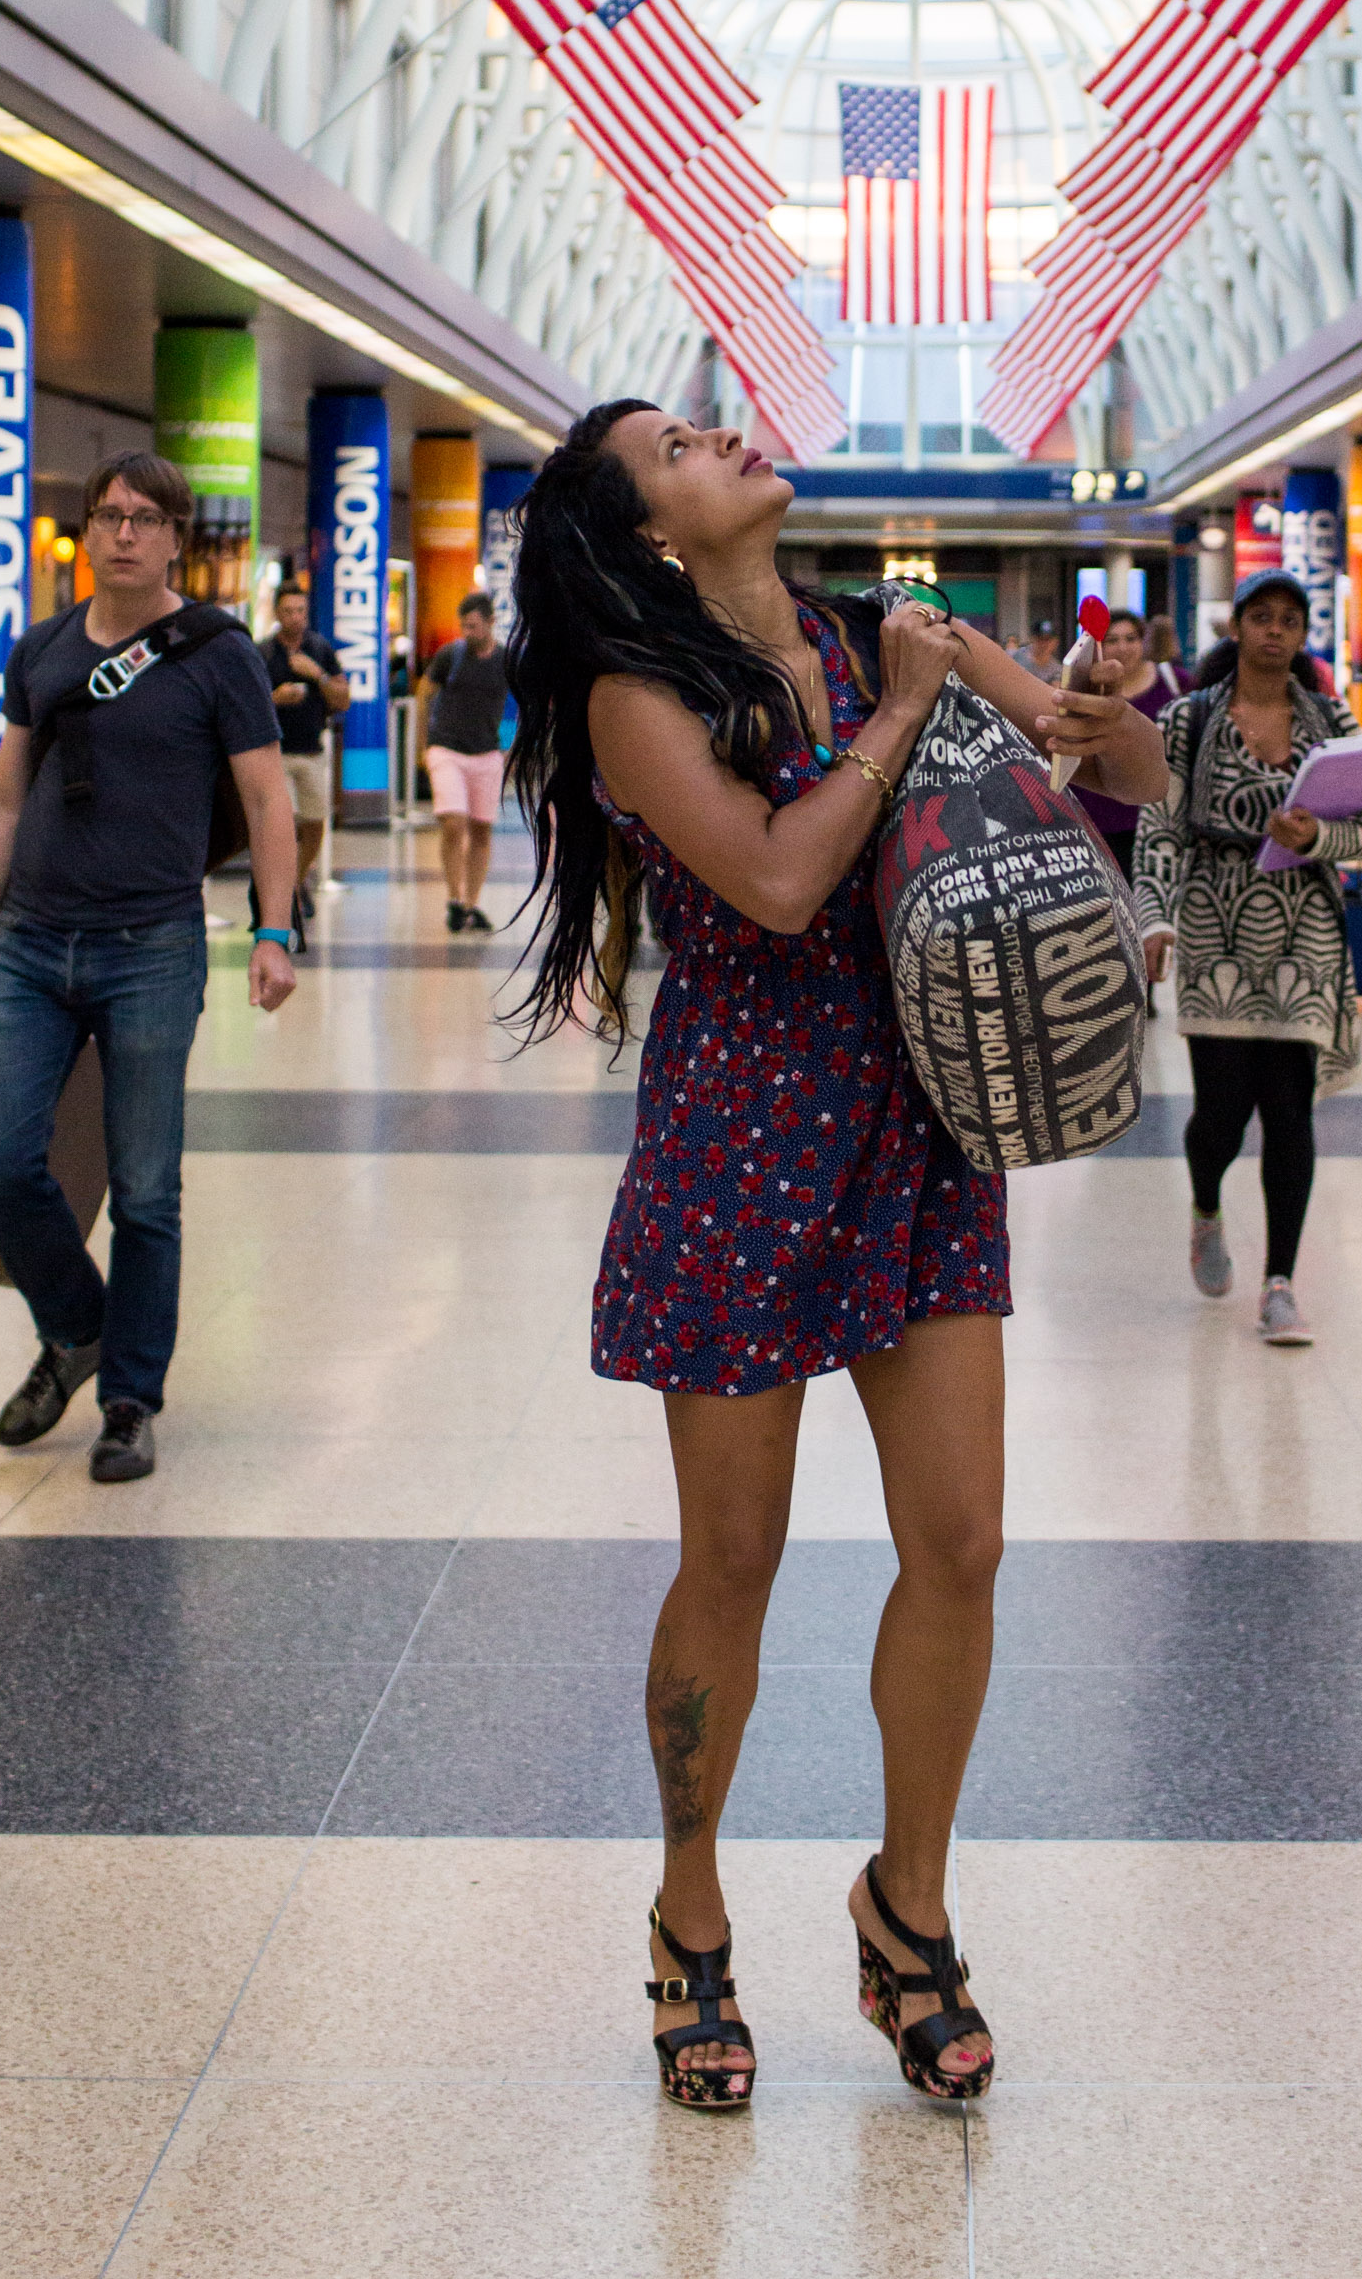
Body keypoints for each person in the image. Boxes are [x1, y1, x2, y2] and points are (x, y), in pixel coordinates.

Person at [507, 402, 1166, 2111]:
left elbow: (1115, 769)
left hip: (923, 1117)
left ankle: (907, 1909)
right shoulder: (637, 699)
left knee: (962, 1539)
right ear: (646, 531)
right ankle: (689, 1908)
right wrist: (897, 710)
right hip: (739, 1136)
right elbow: (781, 883)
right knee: (734, 1555)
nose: (719, 436)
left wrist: (1095, 712)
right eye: (673, 447)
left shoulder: (884, 629)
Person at [0, 456, 297, 1483]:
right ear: (88, 531)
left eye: (145, 519)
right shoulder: (41, 650)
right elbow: (3, 803)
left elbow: (269, 801)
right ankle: (78, 1326)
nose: (125, 534)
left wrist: (274, 931)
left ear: (177, 538)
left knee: (146, 1189)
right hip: (29, 945)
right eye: (108, 516)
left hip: (151, 946)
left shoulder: (217, 656)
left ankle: (129, 1397)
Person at [1134, 570, 1362, 1344]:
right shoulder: (1189, 719)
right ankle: (1206, 1201)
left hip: (1303, 929)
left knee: (1287, 1110)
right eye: (1262, 617)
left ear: (1303, 635)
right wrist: (1153, 918)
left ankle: (1280, 1281)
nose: (1276, 631)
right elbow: (1160, 826)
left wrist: (1320, 838)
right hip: (1215, 924)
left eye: (1290, 620)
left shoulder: (1331, 718)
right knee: (1220, 1113)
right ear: (1237, 628)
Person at [259, 578, 344, 953]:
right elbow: (245, 704)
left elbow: (343, 699)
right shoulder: (262, 653)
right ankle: (286, 894)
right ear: (277, 613)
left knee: (315, 823)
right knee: (284, 824)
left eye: (300, 611)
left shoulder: (320, 649)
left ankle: (297, 879)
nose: (295, 617)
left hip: (311, 750)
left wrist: (317, 675)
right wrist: (274, 698)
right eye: (288, 611)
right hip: (275, 752)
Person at [420, 588, 511, 932]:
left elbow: (527, 702)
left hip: (486, 751)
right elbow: (424, 693)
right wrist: (423, 745)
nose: (467, 633)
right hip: (446, 749)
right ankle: (454, 898)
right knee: (454, 823)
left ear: (491, 622)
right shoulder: (450, 656)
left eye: (473, 626)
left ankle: (471, 904)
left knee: (481, 829)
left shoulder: (505, 660)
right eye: (464, 626)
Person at [1074, 606, 1185, 887]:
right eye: (1112, 640)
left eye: (1131, 638)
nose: (1123, 648)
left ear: (1143, 641)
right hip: (1097, 821)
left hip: (1158, 819)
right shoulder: (1083, 689)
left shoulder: (1174, 683)